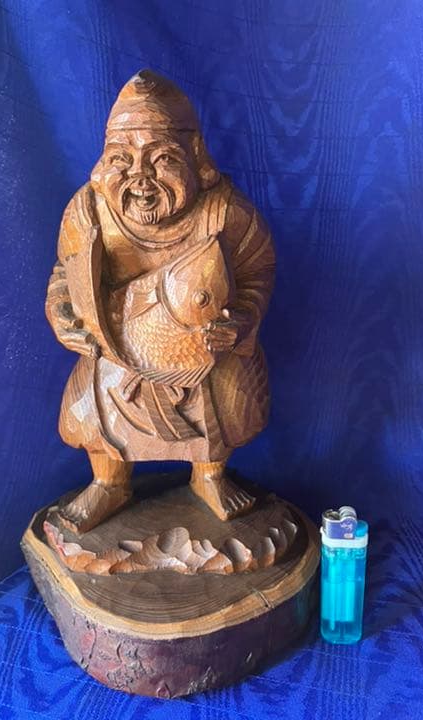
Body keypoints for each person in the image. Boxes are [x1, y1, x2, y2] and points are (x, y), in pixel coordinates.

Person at [46, 70, 275, 533]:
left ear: (197, 156)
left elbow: (257, 272)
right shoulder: (88, 212)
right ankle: (109, 481)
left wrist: (239, 321)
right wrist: (63, 313)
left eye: (162, 157)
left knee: (225, 397)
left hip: (202, 354)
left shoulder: (226, 213)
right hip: (115, 353)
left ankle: (209, 475)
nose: (140, 177)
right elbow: (64, 275)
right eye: (121, 158)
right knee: (95, 406)